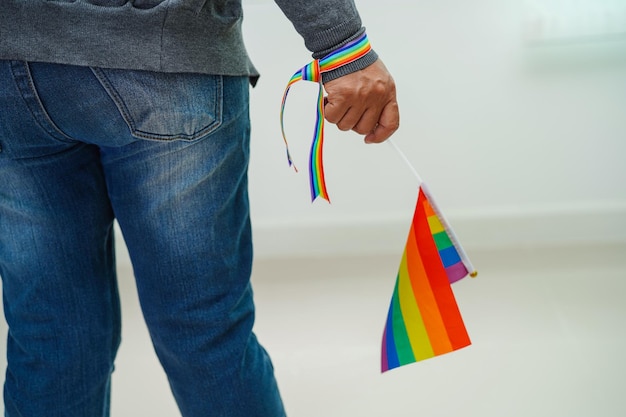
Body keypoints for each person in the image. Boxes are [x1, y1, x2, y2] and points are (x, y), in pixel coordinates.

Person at [0, 1, 399, 416]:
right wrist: (342, 43)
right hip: (163, 49)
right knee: (203, 330)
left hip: (11, 67)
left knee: (52, 336)